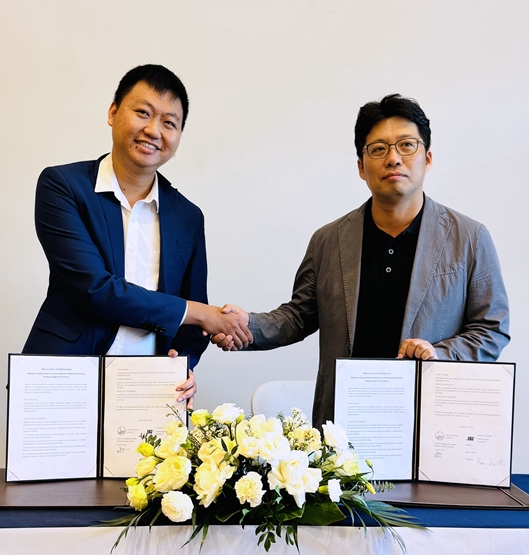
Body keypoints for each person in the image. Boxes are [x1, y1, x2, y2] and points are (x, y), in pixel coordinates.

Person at [213, 94, 510, 428]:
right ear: (360, 167)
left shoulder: (469, 237)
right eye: (379, 149)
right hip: (342, 425)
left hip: (428, 420)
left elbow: (491, 329)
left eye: (406, 145)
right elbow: (298, 316)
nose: (393, 158)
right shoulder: (328, 240)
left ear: (427, 158)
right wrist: (246, 325)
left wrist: (438, 354)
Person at [22, 64, 251, 407]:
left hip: (148, 389)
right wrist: (203, 313)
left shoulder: (188, 216)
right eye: (143, 113)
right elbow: (94, 290)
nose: (153, 130)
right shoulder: (63, 187)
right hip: (64, 376)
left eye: (169, 123)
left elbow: (192, 319)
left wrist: (185, 364)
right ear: (113, 113)